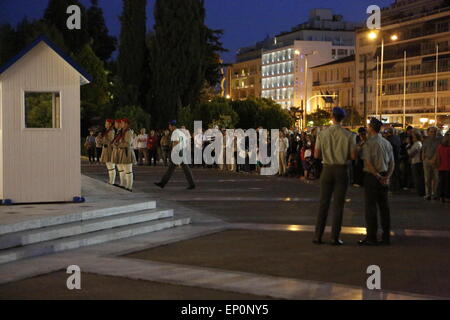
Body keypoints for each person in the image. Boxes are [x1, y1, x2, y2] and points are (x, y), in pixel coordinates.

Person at [313, 107, 356, 246]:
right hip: (341, 170)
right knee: (338, 205)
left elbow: (316, 155)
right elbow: (354, 156)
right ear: (343, 118)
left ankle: (318, 236)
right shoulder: (349, 135)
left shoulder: (322, 134)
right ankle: (334, 237)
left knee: (323, 204)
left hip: (326, 169)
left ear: (332, 117)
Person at [358, 118, 394, 246]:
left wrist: (377, 175)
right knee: (384, 207)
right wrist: (387, 177)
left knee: (371, 207)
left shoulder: (369, 143)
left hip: (372, 177)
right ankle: (386, 236)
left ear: (371, 128)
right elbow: (392, 163)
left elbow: (368, 161)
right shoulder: (387, 143)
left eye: (368, 126)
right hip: (384, 175)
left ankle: (371, 236)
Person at [154, 121, 196, 190]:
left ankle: (162, 183)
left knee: (172, 168)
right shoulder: (180, 132)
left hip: (178, 152)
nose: (169, 127)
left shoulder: (175, 132)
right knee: (183, 168)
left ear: (172, 126)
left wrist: (174, 152)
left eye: (169, 126)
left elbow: (176, 142)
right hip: (182, 150)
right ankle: (192, 184)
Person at [116, 119, 136, 192]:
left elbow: (128, 143)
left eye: (122, 123)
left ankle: (129, 186)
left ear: (126, 124)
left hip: (127, 152)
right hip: (122, 151)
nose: (121, 124)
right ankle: (123, 184)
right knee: (122, 170)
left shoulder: (129, 132)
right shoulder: (121, 132)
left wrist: (118, 144)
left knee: (128, 170)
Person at [422, 127, 441, 200]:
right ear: (428, 132)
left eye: (434, 132)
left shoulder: (439, 141)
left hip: (435, 161)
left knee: (436, 178)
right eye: (431, 132)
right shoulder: (426, 140)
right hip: (426, 161)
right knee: (427, 178)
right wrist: (423, 157)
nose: (433, 133)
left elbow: (438, 151)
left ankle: (435, 194)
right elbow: (423, 149)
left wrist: (434, 159)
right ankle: (428, 194)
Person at [408, 130, 425, 197]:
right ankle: (419, 190)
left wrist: (408, 146)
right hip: (415, 161)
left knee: (417, 177)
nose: (412, 139)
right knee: (417, 177)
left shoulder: (417, 143)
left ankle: (420, 191)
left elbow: (411, 153)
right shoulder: (417, 143)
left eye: (413, 137)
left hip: (417, 162)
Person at [100, 119, 117, 185]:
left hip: (109, 149)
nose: (105, 124)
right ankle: (111, 180)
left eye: (106, 123)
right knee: (109, 166)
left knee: (111, 166)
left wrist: (104, 140)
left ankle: (112, 181)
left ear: (110, 124)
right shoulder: (107, 131)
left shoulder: (111, 131)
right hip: (106, 149)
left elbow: (111, 140)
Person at [437, 132, 450, 203]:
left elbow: (438, 157)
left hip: (441, 167)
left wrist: (438, 165)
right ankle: (447, 197)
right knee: (447, 183)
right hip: (448, 167)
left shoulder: (440, 147)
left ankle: (441, 196)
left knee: (441, 182)